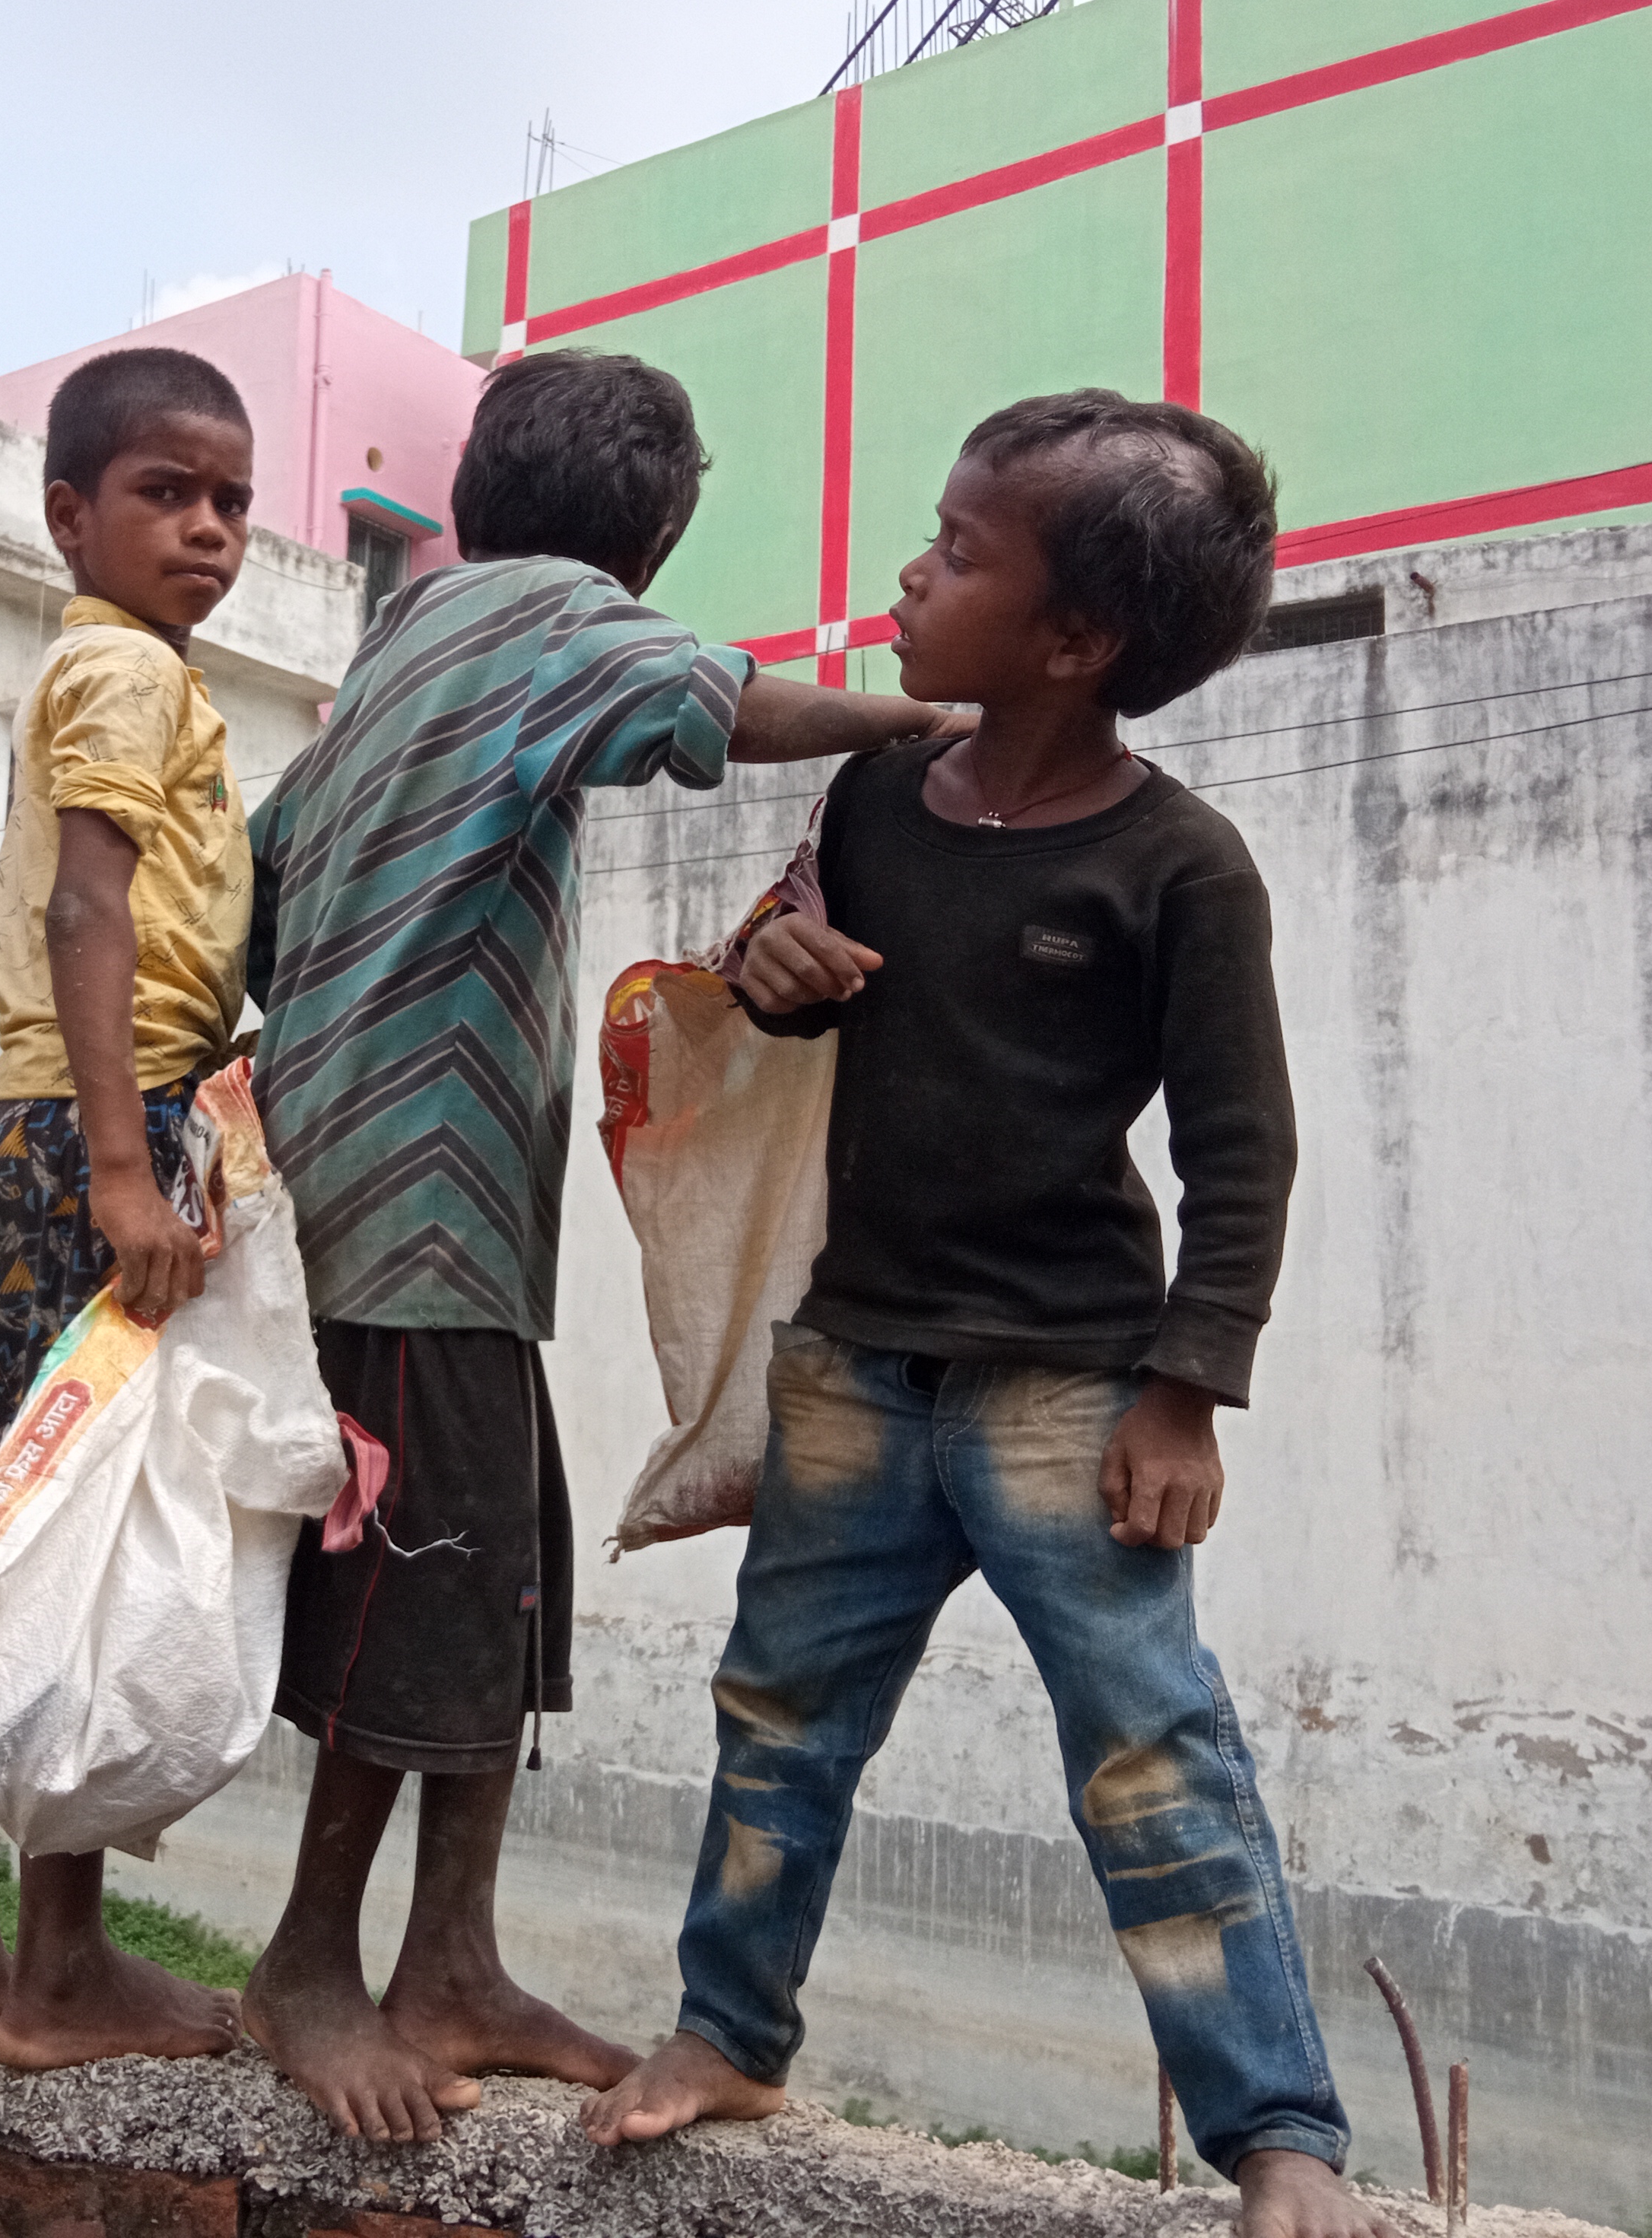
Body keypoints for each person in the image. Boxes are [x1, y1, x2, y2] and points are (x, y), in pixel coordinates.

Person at [579, 390, 1384, 2238]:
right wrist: (769, 974)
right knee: (778, 1714)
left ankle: (1282, 2139)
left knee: (1150, 1752)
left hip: (1067, 1391)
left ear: (1072, 641)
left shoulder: (1178, 867)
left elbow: (1241, 1151)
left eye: (954, 551)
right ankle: (726, 2033)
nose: (908, 571)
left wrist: (1187, 1393)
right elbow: (776, 977)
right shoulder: (871, 796)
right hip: (857, 1360)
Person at [239, 348, 966, 2143]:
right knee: (412, 1569)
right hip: (405, 1204)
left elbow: (264, 884)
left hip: (404, 1198)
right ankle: (313, 1968)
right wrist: (915, 727)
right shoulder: (553, 617)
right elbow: (718, 701)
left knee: (495, 1571)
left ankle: (456, 1962)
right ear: (649, 537)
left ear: (478, 485)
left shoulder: (404, 641)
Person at [0, 347, 259, 2070]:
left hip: (52, 1127)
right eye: (164, 494)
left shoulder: (128, 675)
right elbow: (86, 917)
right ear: (68, 514)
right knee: (77, 1560)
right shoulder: (118, 673)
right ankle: (62, 1970)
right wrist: (126, 1163)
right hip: (86, 1134)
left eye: (230, 501)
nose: (206, 529)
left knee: (16, 1534)